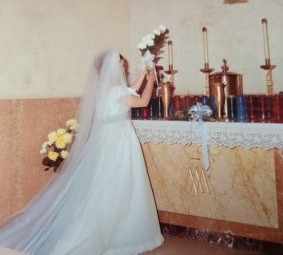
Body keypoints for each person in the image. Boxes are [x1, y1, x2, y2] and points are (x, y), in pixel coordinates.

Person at [0, 50, 164, 254]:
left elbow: (129, 91)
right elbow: (142, 101)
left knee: (108, 184)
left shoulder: (108, 89)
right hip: (119, 142)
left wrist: (142, 74)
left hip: (110, 140)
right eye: (121, 65)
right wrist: (150, 81)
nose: (124, 68)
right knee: (118, 184)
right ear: (112, 68)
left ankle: (114, 227)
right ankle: (113, 233)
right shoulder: (115, 92)